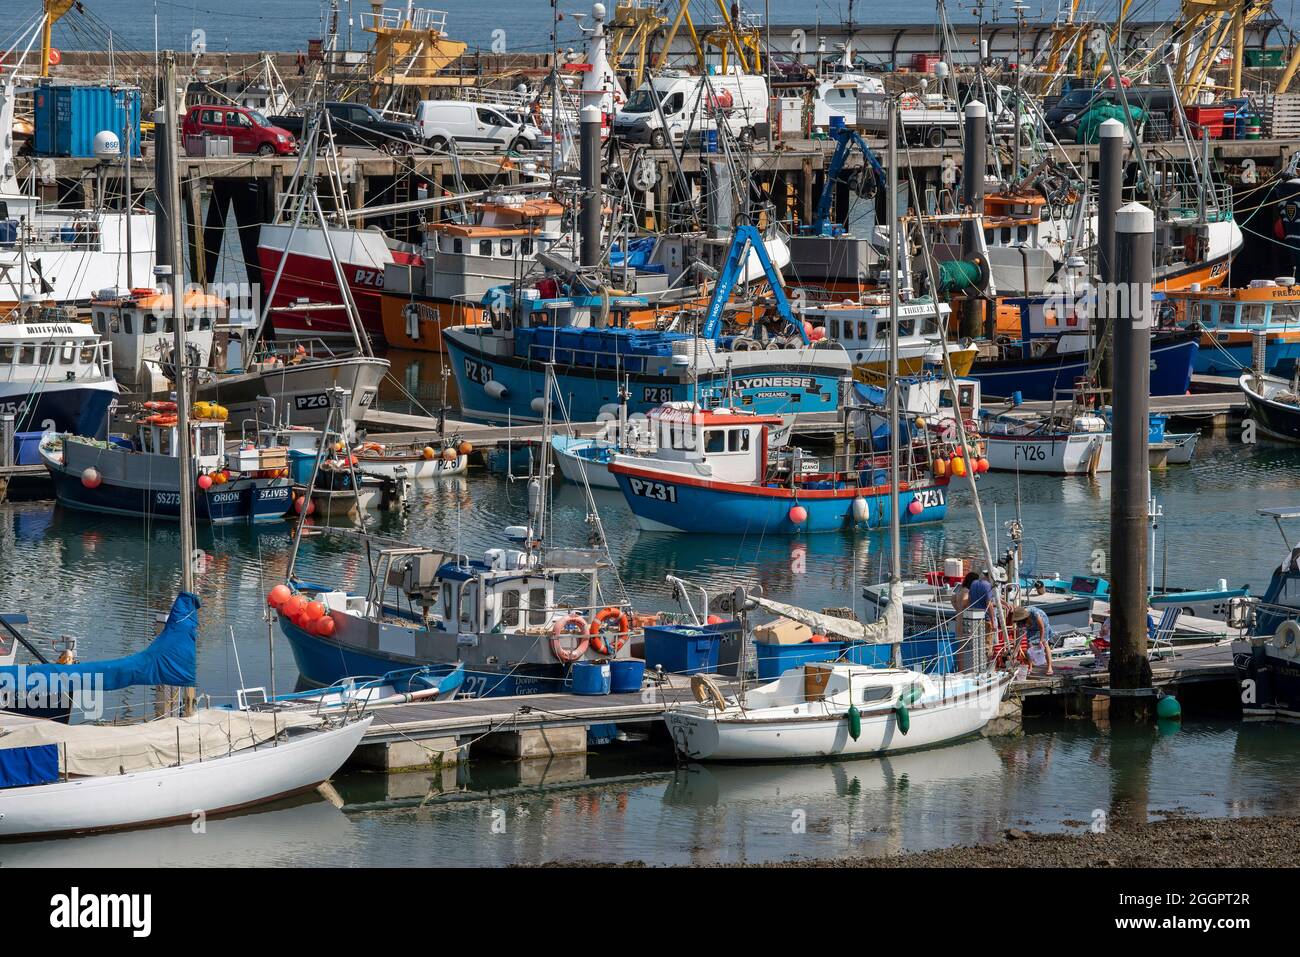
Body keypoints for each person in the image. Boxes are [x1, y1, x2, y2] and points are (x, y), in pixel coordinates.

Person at [1012, 604, 1054, 676]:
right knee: (1029, 645)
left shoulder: (1034, 613)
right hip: (1031, 628)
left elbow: (1042, 628)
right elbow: (1019, 638)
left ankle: (1049, 667)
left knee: (1045, 644)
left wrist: (1041, 640)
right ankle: (1030, 667)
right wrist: (1015, 652)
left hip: (1043, 625)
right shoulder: (1020, 622)